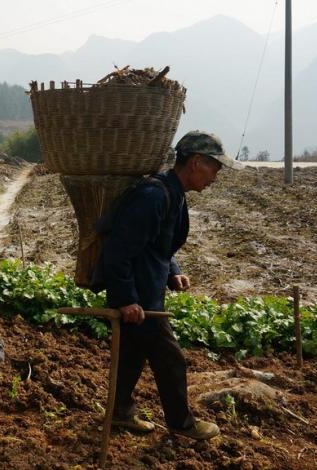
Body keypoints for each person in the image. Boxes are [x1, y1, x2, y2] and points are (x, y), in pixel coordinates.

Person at [92, 130, 242, 440]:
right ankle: (182, 425)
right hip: (139, 297)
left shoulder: (173, 195)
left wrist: (173, 270)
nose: (216, 176)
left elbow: (158, 246)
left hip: (147, 294)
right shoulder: (153, 195)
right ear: (196, 162)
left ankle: (119, 412)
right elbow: (119, 249)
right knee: (171, 359)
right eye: (215, 167)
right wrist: (125, 298)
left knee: (132, 356)